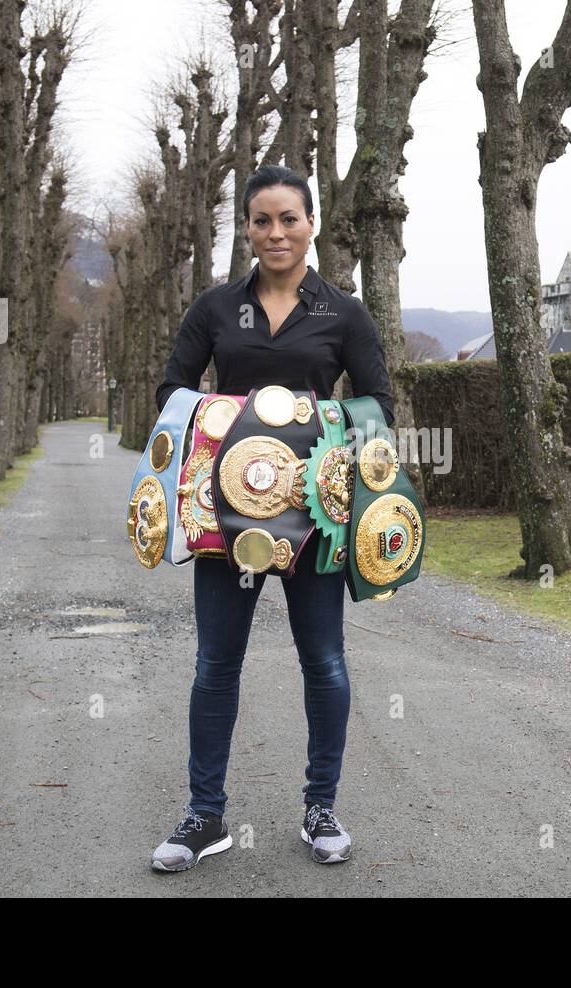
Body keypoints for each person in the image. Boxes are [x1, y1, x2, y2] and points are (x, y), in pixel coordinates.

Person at [150, 164, 396, 872]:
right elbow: (172, 388)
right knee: (214, 665)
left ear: (311, 223)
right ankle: (204, 816)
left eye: (288, 217)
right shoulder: (216, 309)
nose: (276, 232)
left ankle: (321, 809)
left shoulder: (342, 313)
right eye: (262, 220)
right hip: (226, 516)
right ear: (248, 229)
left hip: (317, 516)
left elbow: (379, 403)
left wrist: (328, 420)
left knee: (323, 662)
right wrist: (219, 415)